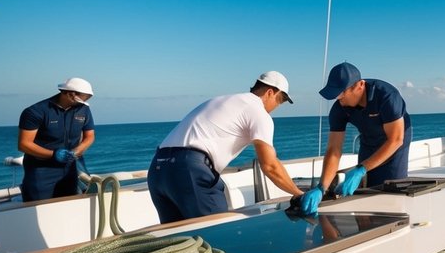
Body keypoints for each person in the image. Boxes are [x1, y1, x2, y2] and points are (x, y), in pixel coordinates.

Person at [148, 71, 304, 223]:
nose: (278, 106)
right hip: (189, 170)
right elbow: (270, 165)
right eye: (280, 100)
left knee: (179, 243)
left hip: (157, 169)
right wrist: (298, 193)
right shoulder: (258, 112)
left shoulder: (222, 100)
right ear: (270, 92)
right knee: (217, 235)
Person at [302, 62, 413, 214]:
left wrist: (361, 168)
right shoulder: (339, 109)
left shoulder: (387, 96)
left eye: (341, 92)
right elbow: (334, 150)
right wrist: (322, 188)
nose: (338, 98)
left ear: (360, 86)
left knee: (391, 192)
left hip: (395, 142)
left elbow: (396, 139)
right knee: (365, 192)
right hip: (368, 141)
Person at [17, 77, 96, 202]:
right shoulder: (35, 112)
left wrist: (77, 151)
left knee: (68, 206)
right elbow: (24, 144)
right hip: (41, 170)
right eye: (83, 98)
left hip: (70, 169)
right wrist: (54, 154)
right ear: (70, 94)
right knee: (39, 208)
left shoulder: (83, 109)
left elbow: (90, 136)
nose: (84, 103)